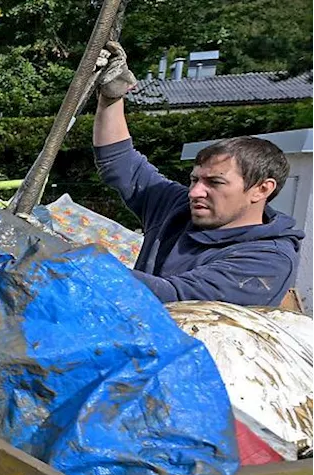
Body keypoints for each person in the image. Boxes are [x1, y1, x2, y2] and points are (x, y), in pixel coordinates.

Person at [92, 42, 302, 307]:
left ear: (261, 189)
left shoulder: (267, 260)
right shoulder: (178, 208)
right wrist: (111, 98)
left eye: (214, 182)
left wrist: (81, 268)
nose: (194, 192)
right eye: (194, 179)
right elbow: (121, 165)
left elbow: (177, 300)